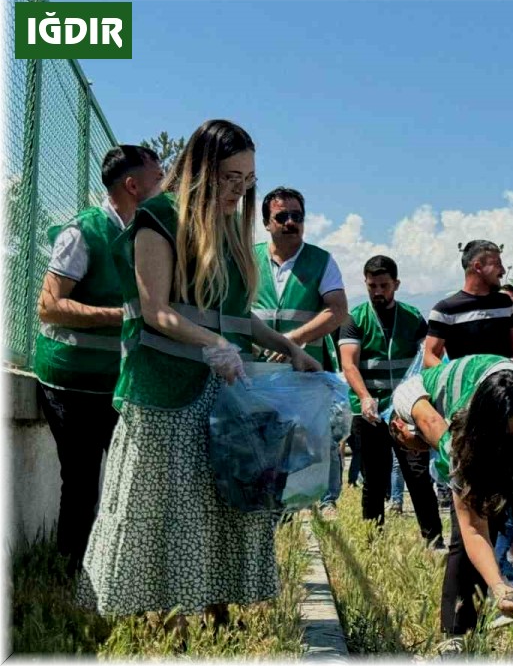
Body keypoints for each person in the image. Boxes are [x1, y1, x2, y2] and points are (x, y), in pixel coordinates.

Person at [78, 120, 322, 634]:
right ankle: (163, 616)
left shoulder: (230, 230)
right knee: (165, 509)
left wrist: (287, 347)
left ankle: (217, 608)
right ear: (201, 171)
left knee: (221, 500)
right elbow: (155, 310)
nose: (239, 191)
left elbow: (234, 315)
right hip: (165, 392)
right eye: (230, 178)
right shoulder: (157, 219)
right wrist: (214, 346)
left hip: (219, 392)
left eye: (247, 180)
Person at [387, 354, 513, 649]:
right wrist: (499, 587)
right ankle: (457, 637)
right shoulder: (452, 435)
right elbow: (474, 528)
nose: (512, 451)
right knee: (464, 540)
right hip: (469, 432)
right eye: (506, 440)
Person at [34, 145, 162, 575]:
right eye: (156, 179)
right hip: (69, 383)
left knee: (132, 478)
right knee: (83, 480)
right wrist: (122, 316)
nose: (162, 187)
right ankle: (70, 571)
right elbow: (49, 307)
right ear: (132, 185)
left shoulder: (148, 232)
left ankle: (115, 569)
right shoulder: (83, 233)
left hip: (117, 384)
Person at [252, 186, 349, 517]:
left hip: (303, 375)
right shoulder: (248, 259)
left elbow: (336, 310)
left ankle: (315, 504)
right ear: (267, 222)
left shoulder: (321, 261)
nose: (291, 222)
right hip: (257, 375)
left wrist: (292, 340)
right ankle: (269, 511)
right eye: (282, 216)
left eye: (297, 216)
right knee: (260, 446)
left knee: (309, 445)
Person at [338, 255, 442, 545]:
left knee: (418, 476)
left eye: (384, 285)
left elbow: (429, 356)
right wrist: (365, 398)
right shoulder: (354, 319)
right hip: (368, 412)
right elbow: (349, 364)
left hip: (406, 411)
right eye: (372, 286)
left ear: (396, 284)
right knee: (374, 479)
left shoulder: (412, 318)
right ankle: (373, 541)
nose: (378, 292)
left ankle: (433, 540)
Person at [424, 240, 513, 367]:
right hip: (466, 386)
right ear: (478, 267)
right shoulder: (445, 310)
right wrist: (454, 377)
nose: (502, 270)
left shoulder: (504, 303)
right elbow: (429, 356)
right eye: (498, 264)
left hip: (503, 384)